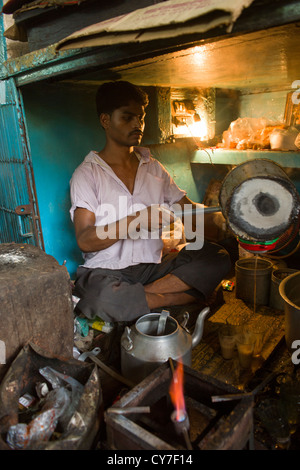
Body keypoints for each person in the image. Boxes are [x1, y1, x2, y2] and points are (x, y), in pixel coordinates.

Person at [70, 81, 231, 323]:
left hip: (153, 267)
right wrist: (137, 219)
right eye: (127, 117)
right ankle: (172, 298)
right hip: (107, 273)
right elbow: (85, 240)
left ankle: (138, 298)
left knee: (217, 256)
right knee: (97, 295)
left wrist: (223, 217)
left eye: (141, 118)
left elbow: (188, 210)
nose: (137, 124)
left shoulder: (154, 167)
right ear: (105, 120)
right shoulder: (87, 173)